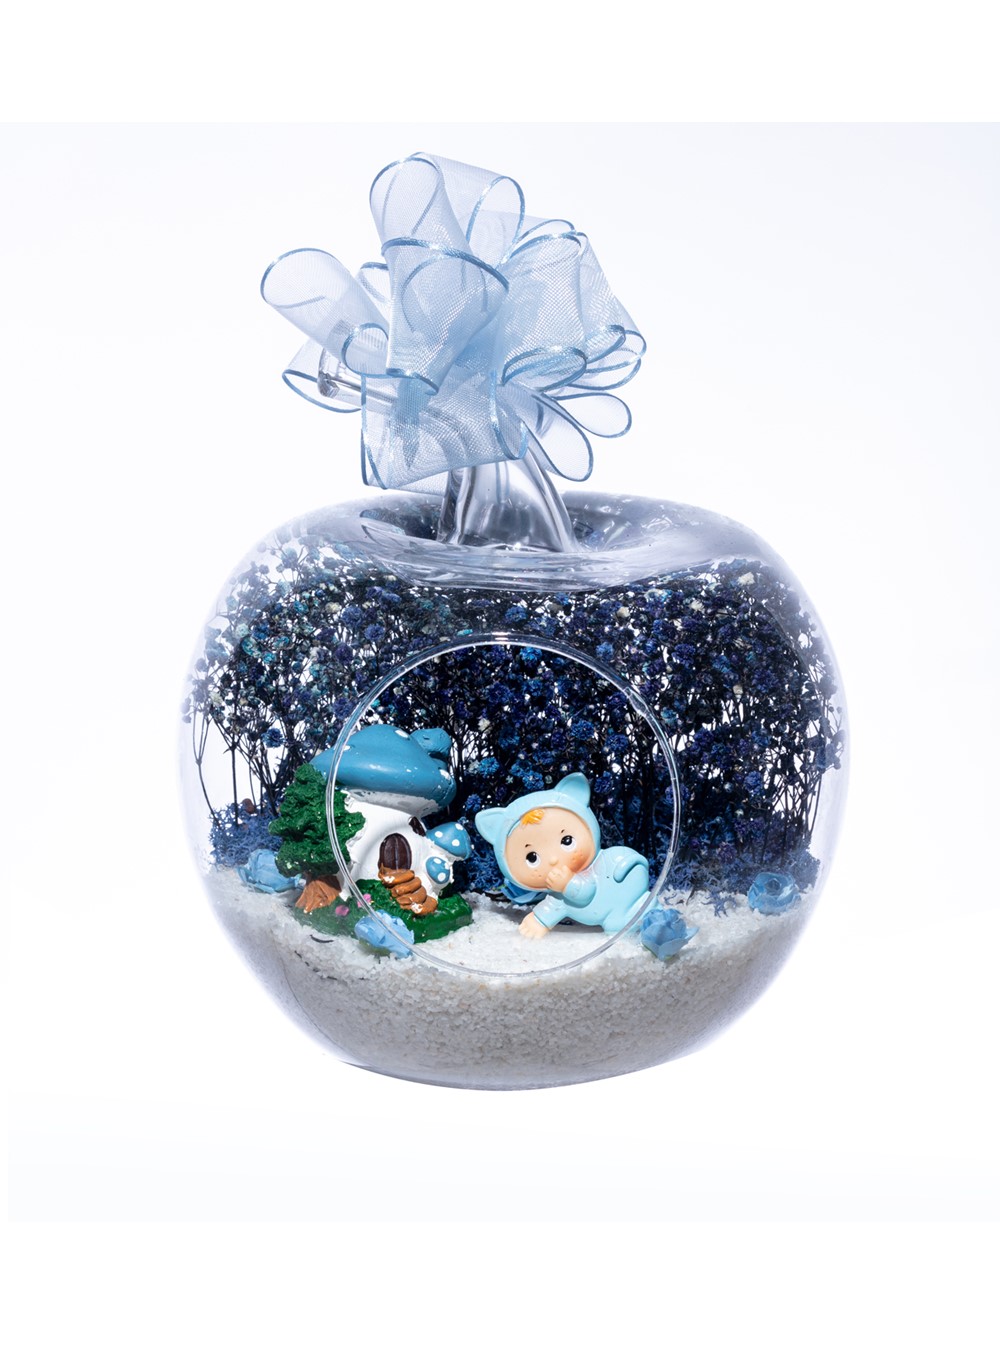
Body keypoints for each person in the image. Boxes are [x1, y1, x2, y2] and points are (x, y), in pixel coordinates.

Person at [475, 773, 650, 938]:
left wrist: (568, 884)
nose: (553, 859)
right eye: (532, 857)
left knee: (617, 923)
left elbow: (586, 892)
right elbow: (555, 904)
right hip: (608, 900)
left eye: (567, 841)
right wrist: (539, 920)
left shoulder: (586, 875)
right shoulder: (558, 895)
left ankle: (635, 914)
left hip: (622, 882)